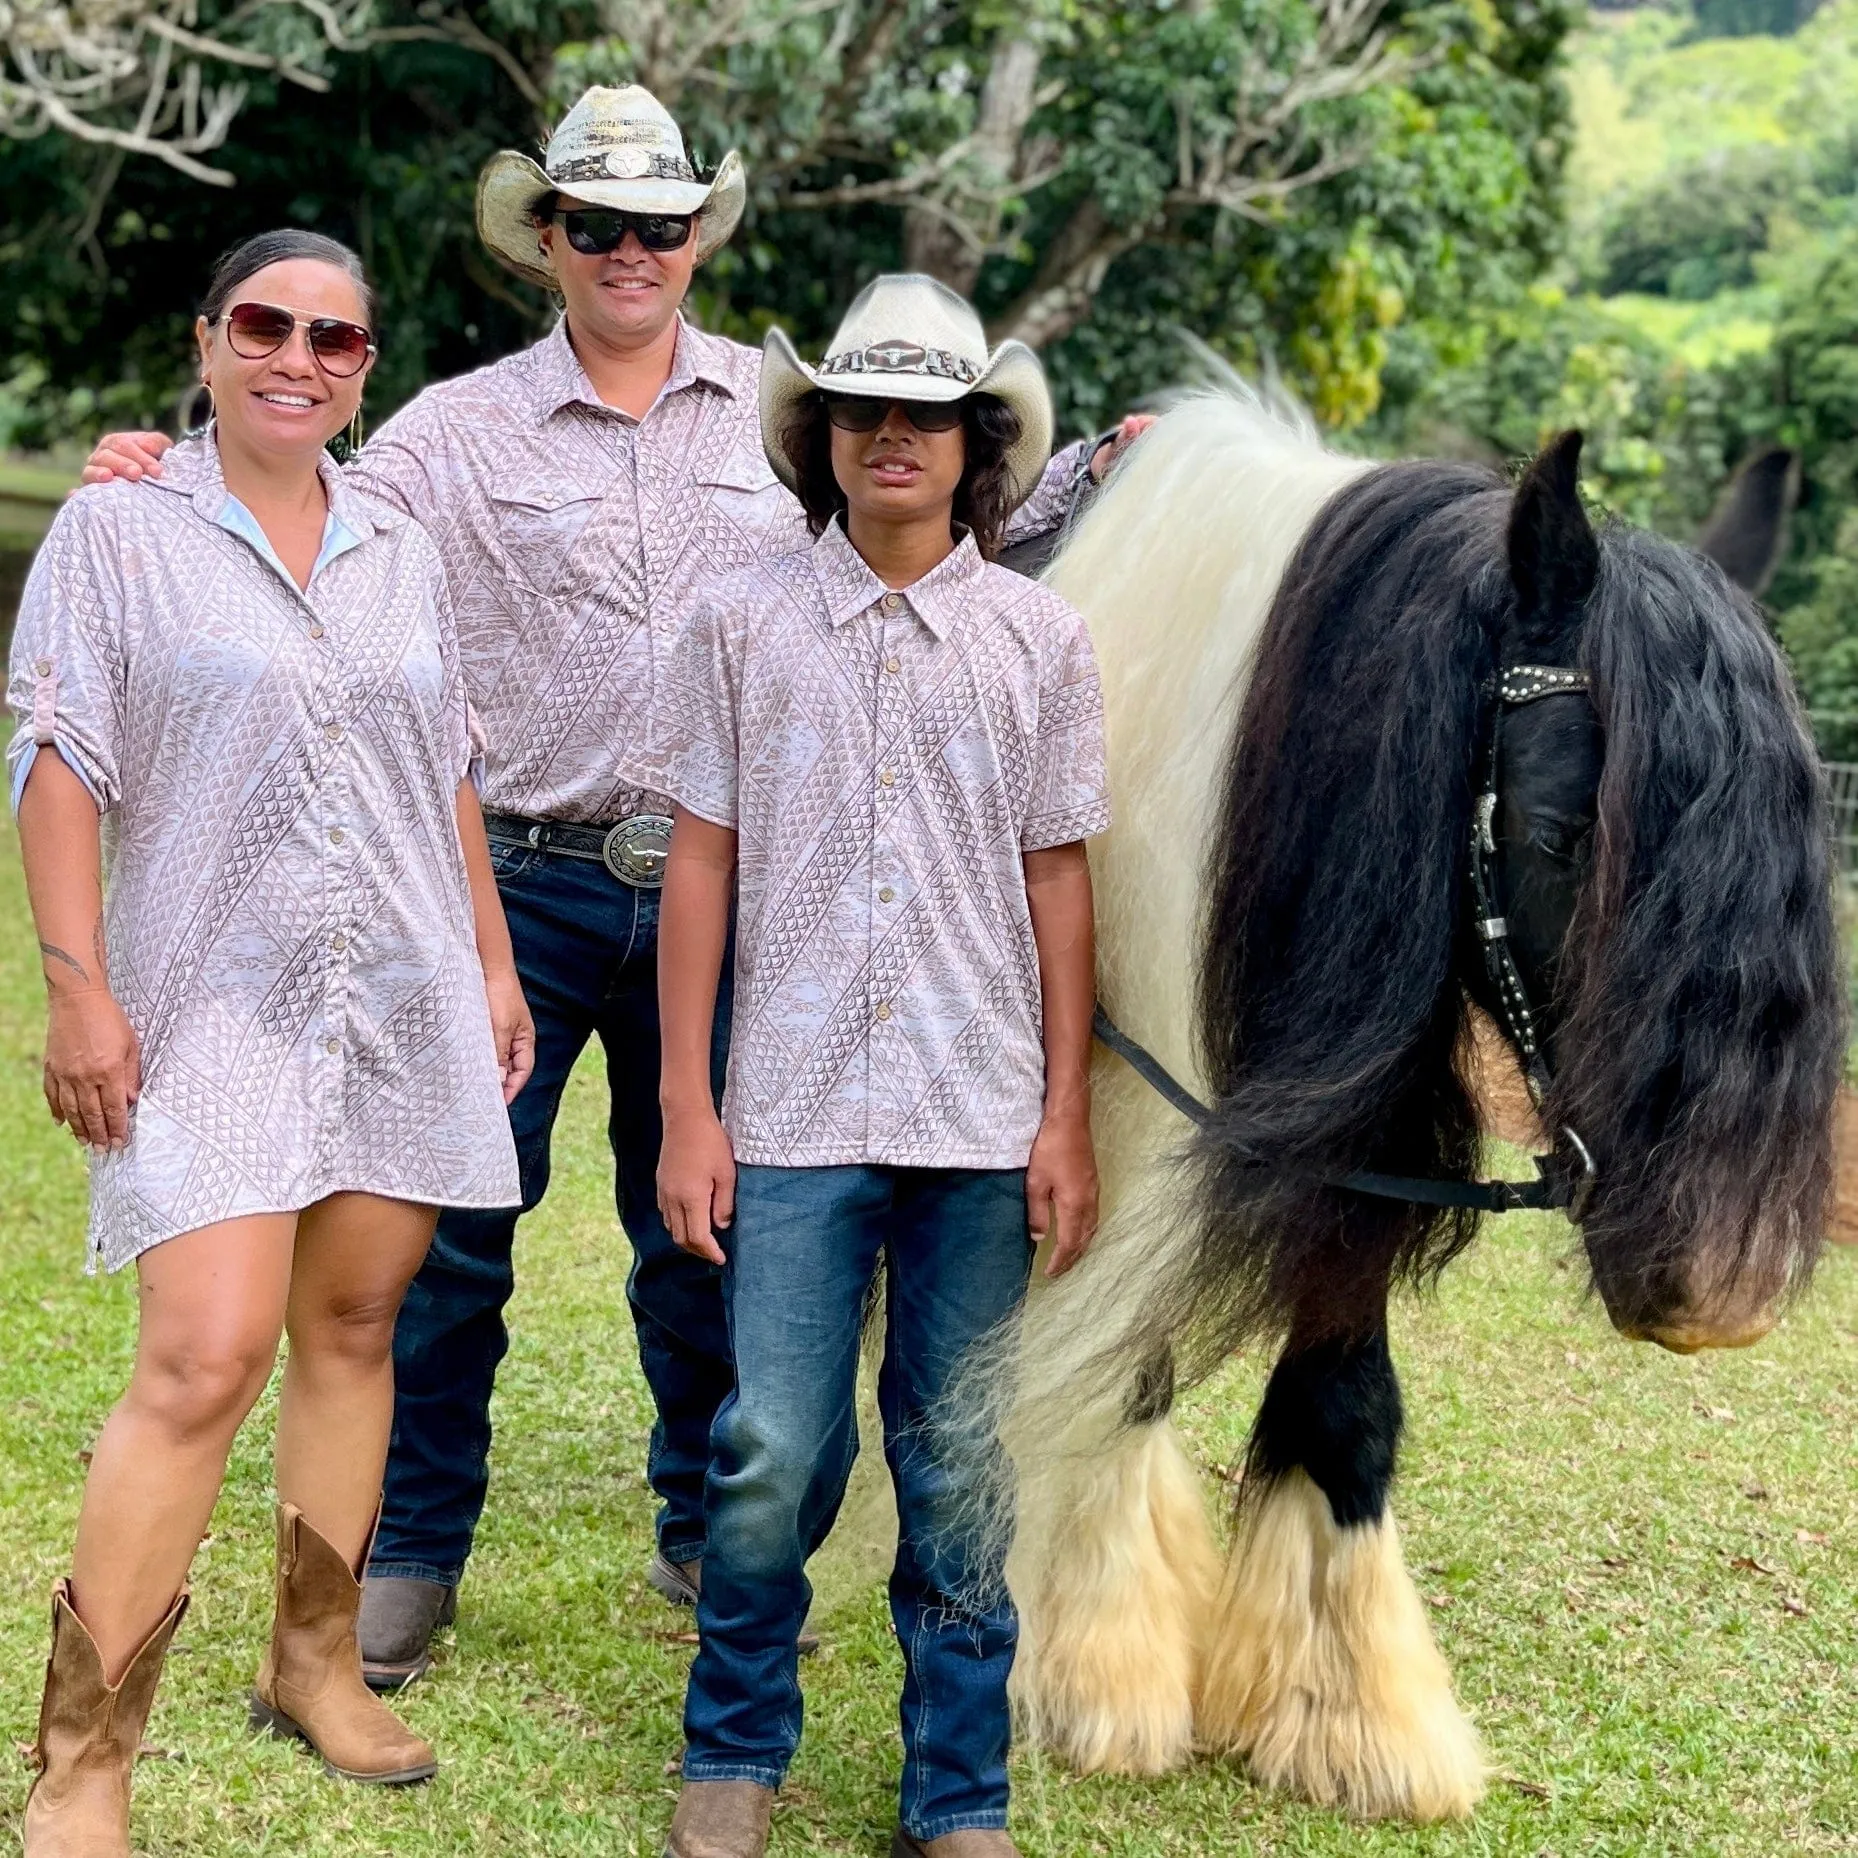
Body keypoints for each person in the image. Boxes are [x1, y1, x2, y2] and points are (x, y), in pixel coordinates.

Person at [77, 85, 1139, 1693]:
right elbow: (297, 483)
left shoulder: (785, 419)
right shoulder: (446, 431)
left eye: (659, 224)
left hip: (729, 892)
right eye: (596, 225)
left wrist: (1077, 488)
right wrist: (160, 464)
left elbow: (917, 529)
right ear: (548, 245)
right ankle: (411, 1549)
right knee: (444, 1236)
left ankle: (695, 1517)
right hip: (512, 876)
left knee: (700, 1225)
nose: (630, 251)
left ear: (697, 238)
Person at [9, 229, 529, 1858]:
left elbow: (444, 759)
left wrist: (492, 961)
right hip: (208, 1004)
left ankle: (313, 1660)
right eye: (266, 324)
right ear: (211, 338)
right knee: (202, 1353)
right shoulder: (115, 527)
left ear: (368, 365)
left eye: (338, 338)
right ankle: (83, 1762)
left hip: (395, 996)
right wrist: (76, 983)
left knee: (360, 1319)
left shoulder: (399, 541)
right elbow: (60, 758)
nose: (299, 356)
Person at [646, 274, 1108, 1858]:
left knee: (960, 1457)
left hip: (979, 1119)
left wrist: (1065, 1116)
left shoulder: (1041, 640)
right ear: (822, 433)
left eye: (924, 410)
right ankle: (733, 1745)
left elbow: (1058, 877)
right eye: (862, 407)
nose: (891, 434)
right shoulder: (740, 620)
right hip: (783, 1113)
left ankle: (955, 1792)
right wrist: (687, 1107)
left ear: (977, 440)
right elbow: (699, 862)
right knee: (771, 1444)